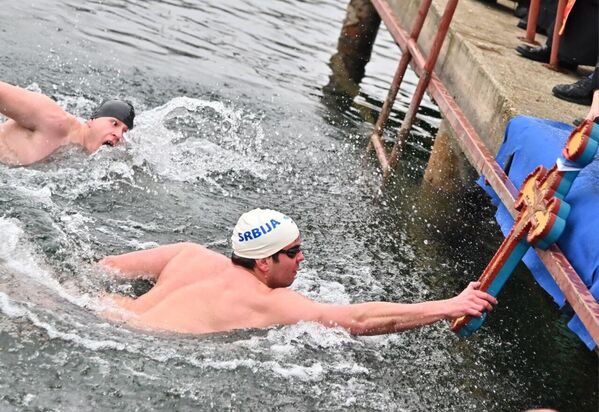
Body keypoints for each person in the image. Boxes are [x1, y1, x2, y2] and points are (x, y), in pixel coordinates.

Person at [99, 209, 497, 336]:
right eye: (293, 252)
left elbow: (105, 268)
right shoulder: (267, 302)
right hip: (144, 345)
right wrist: (448, 305)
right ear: (263, 262)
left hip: (102, 313)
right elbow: (357, 320)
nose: (302, 259)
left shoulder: (186, 254)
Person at [0, 80, 135, 166]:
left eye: (124, 131)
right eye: (114, 123)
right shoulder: (55, 121)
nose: (119, 135)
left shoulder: (83, 160)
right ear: (92, 121)